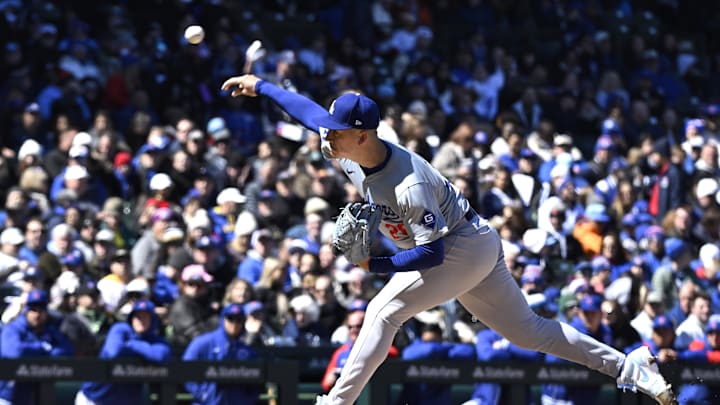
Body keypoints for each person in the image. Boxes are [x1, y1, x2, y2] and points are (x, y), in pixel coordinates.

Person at [221, 74, 678, 405]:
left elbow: (430, 253)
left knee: (383, 310)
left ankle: (336, 403)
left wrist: (371, 267)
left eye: (338, 131)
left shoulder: (407, 185)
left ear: (361, 135)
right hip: (474, 240)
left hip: (457, 246)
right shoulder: (347, 145)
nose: (328, 134)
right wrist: (261, 86)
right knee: (528, 331)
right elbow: (309, 114)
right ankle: (630, 367)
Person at [76, 299, 171, 405]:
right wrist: (145, 351)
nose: (141, 321)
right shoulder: (120, 329)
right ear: (131, 318)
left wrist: (132, 344)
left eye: (145, 316)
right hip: (94, 398)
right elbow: (113, 352)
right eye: (138, 316)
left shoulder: (152, 339)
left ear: (152, 320)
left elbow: (161, 355)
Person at [0, 290, 74, 404]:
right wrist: (43, 348)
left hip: (35, 395)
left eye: (41, 310)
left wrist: (42, 351)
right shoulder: (13, 328)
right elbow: (14, 352)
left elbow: (67, 350)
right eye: (33, 310)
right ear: (26, 310)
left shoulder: (50, 330)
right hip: (8, 395)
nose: (37, 315)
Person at [182, 303, 263, 404]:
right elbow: (185, 371)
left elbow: (258, 382)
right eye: (230, 318)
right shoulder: (203, 342)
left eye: (239, 320)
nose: (234, 323)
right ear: (222, 319)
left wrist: (246, 400)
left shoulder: (247, 350)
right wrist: (203, 394)